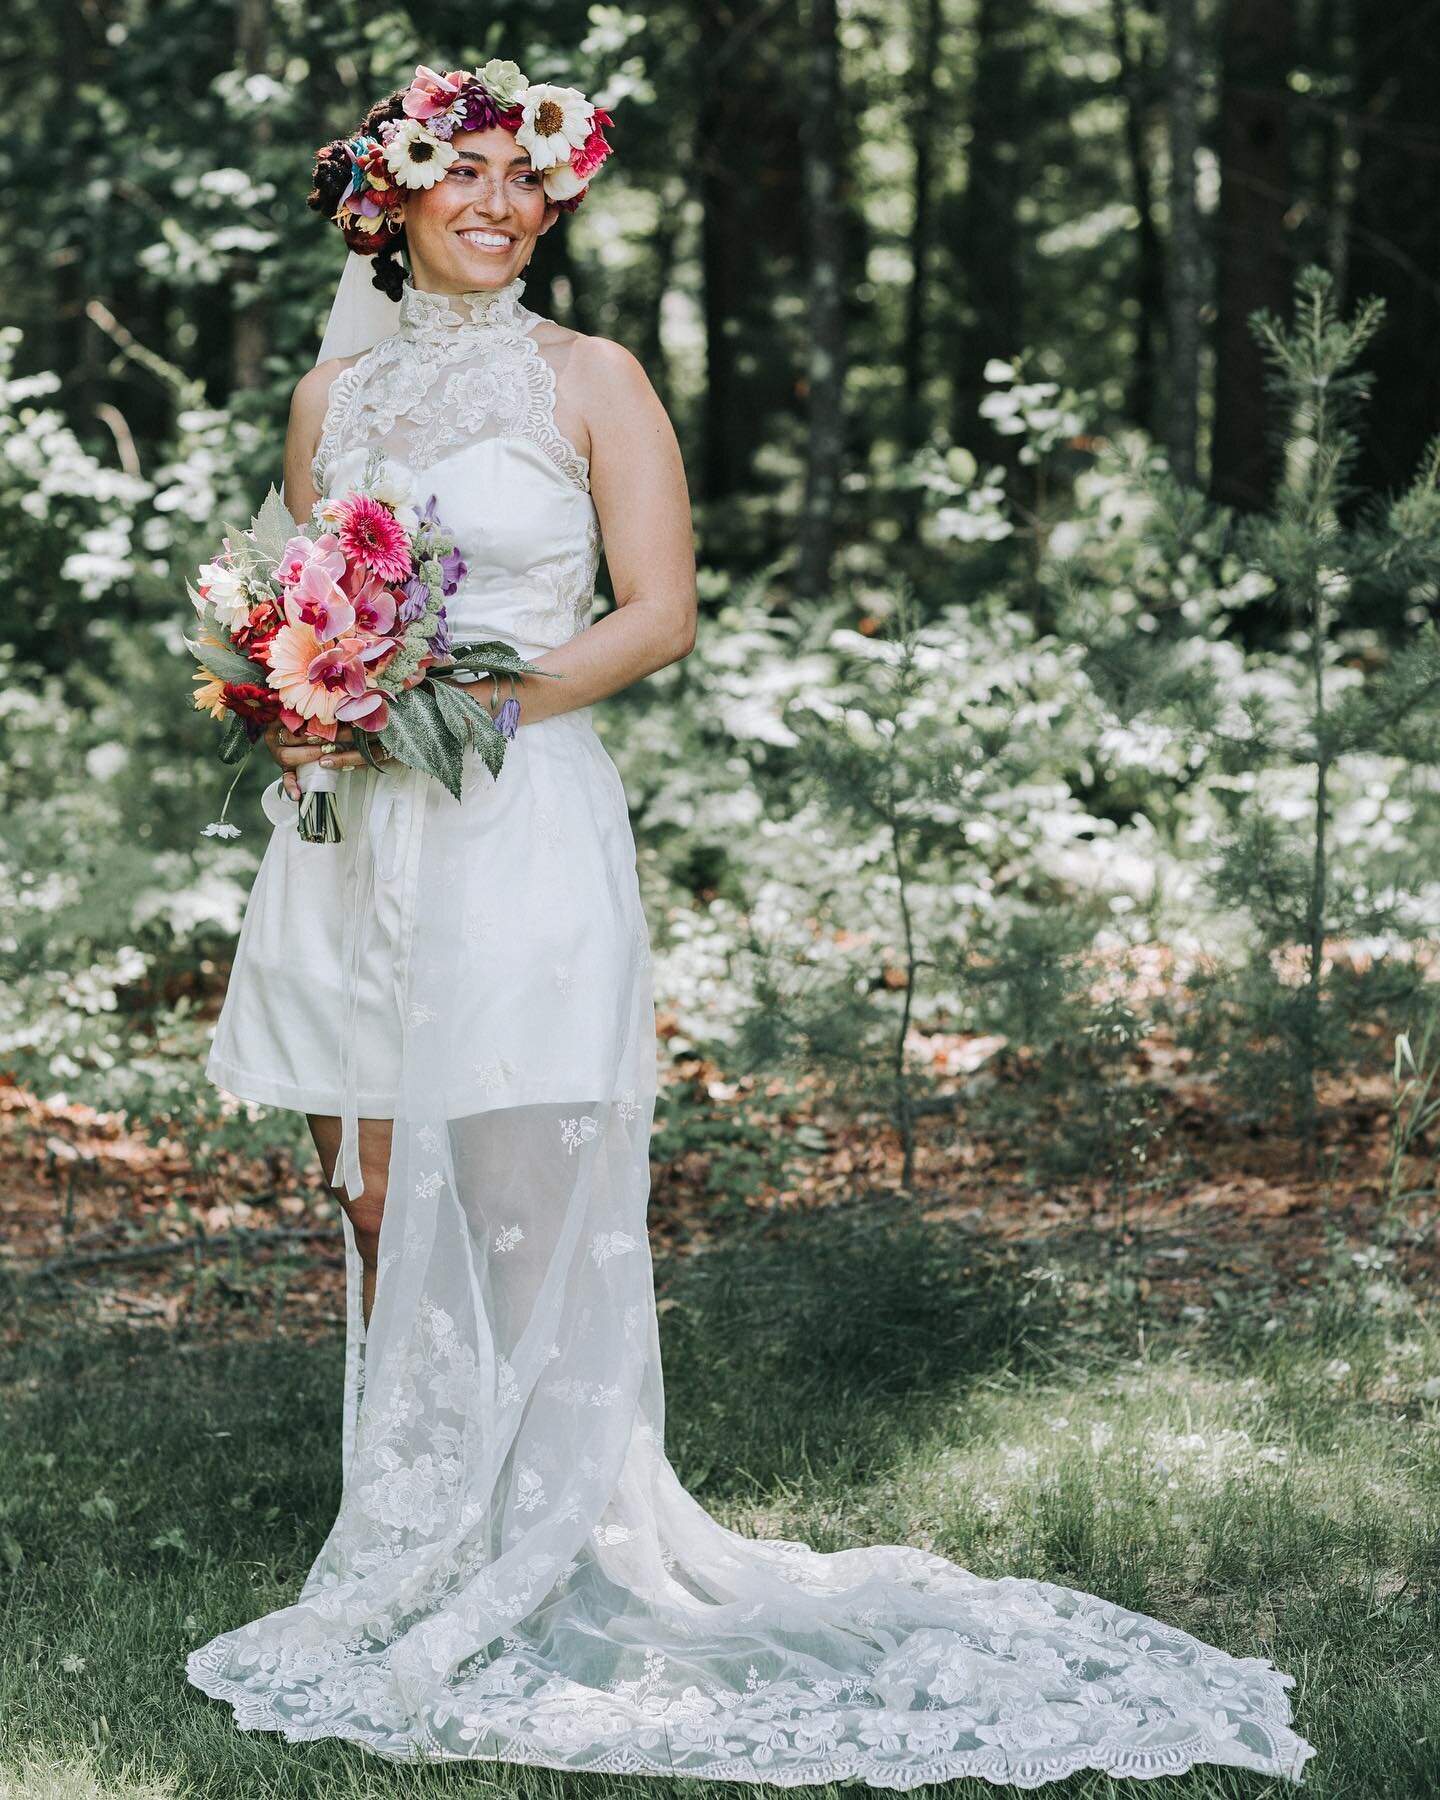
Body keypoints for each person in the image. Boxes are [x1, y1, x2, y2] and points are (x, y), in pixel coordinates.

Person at [186, 57, 1317, 1791]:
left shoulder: (595, 378)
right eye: (463, 179)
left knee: (510, 1199)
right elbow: (294, 595)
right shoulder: (331, 394)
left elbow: (661, 614)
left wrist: (467, 705)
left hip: (512, 811)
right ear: (388, 199)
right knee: (374, 1188)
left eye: (527, 182)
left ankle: (553, 1543)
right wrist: (308, 693)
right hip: (352, 833)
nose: (502, 208)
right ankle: (413, 1532)